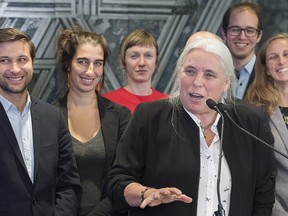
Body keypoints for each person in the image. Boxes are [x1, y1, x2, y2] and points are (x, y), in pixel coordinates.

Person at [105, 36, 275, 216]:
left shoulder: (250, 121)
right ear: (179, 73)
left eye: (209, 74)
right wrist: (147, 193)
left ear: (226, 82)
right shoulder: (150, 117)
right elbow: (117, 181)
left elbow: (263, 194)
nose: (197, 82)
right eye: (190, 71)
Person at [0, 28, 81, 215]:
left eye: (22, 59)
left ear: (33, 63)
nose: (14, 68)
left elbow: (69, 184)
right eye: (4, 60)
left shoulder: (52, 116)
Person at [54, 26, 131, 216]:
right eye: (82, 62)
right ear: (67, 64)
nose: (90, 71)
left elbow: (126, 177)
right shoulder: (50, 116)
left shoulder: (120, 116)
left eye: (98, 63)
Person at [246, 32, 288, 216]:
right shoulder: (255, 112)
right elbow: (256, 173)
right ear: (266, 68)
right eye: (273, 57)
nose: (281, 61)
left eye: (286, 54)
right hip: (276, 209)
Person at [102, 28, 168, 113]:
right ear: (123, 60)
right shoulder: (106, 103)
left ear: (156, 61)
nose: (142, 63)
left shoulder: (168, 105)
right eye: (134, 56)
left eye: (148, 56)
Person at [222, 2, 263, 99]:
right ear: (224, 33)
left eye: (250, 30)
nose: (242, 37)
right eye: (235, 29)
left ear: (259, 36)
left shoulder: (269, 74)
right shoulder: (212, 71)